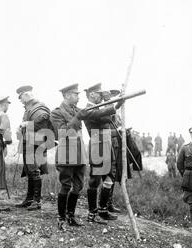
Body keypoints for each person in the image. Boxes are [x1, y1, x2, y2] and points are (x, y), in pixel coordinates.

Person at [82, 83, 123, 223]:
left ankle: (103, 210)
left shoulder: (97, 108)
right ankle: (92, 213)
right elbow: (101, 114)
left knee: (109, 178)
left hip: (106, 145)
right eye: (99, 94)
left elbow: (107, 118)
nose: (101, 96)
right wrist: (116, 104)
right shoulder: (88, 109)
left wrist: (115, 105)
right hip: (97, 146)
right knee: (94, 181)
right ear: (91, 94)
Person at [50, 84, 88, 229]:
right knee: (66, 185)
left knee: (78, 186)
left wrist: (114, 107)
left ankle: (70, 216)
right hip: (66, 153)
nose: (78, 97)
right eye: (75, 94)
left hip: (79, 154)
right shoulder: (56, 113)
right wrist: (77, 117)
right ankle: (61, 218)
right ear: (66, 95)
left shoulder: (77, 110)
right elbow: (63, 132)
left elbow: (95, 114)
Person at [14, 85, 53, 211]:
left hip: (36, 144)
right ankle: (29, 199)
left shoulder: (40, 106)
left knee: (34, 171)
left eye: (21, 98)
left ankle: (36, 201)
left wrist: (27, 124)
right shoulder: (29, 108)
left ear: (26, 95)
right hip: (29, 143)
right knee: (30, 171)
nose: (21, 101)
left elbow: (44, 121)